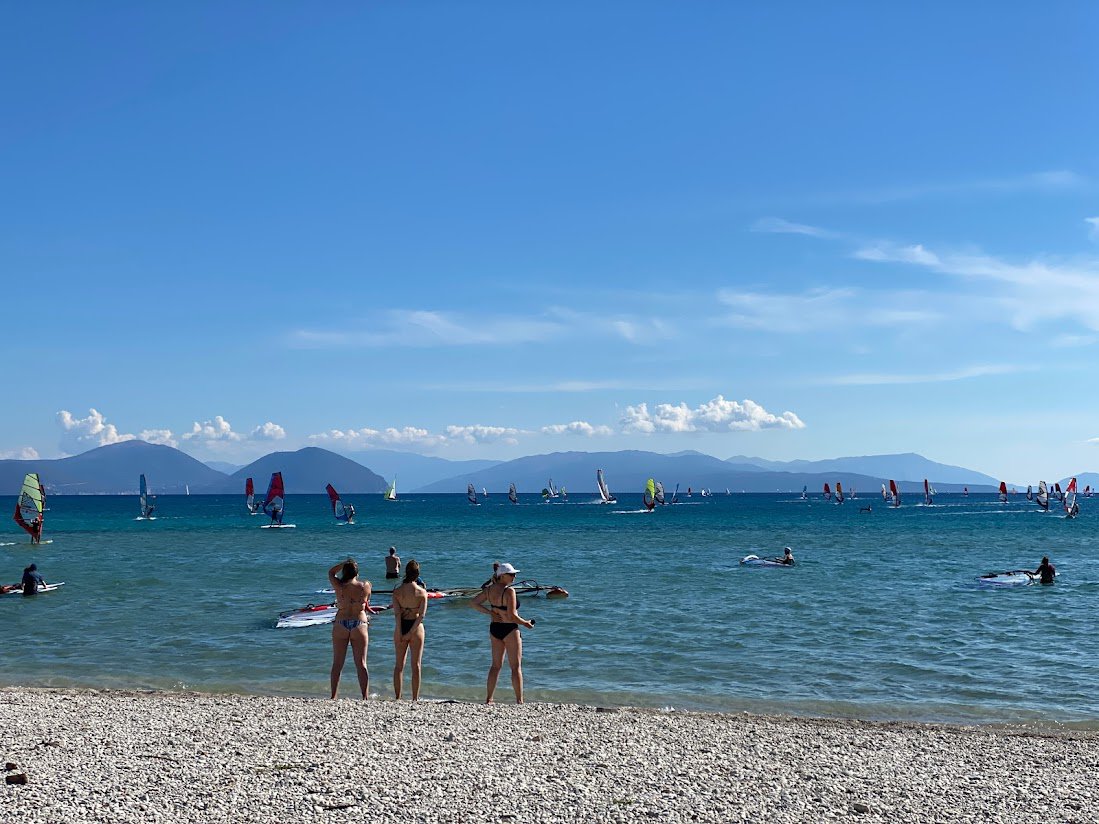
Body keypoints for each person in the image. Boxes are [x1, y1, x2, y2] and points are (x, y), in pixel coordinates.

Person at [471, 562, 535, 704]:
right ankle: (519, 700)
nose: (514, 576)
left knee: (495, 666)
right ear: (502, 576)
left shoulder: (489, 590)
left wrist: (490, 613)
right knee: (515, 667)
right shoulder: (509, 591)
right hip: (510, 629)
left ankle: (489, 699)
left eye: (514, 574)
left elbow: (474, 603)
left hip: (495, 629)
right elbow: (512, 615)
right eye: (511, 574)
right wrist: (525, 623)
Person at [328, 558, 377, 699]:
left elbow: (331, 572)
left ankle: (333, 696)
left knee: (337, 663)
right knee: (361, 664)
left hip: (341, 623)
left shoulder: (339, 586)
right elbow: (367, 602)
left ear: (344, 571)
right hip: (359, 623)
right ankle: (365, 697)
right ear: (357, 572)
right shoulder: (365, 586)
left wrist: (343, 564)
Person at [392, 559, 428, 701]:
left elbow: (397, 614)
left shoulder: (397, 592)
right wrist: (410, 633)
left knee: (399, 665)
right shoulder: (422, 592)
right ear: (417, 574)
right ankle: (415, 698)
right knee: (416, 665)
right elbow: (421, 616)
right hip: (416, 628)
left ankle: (398, 697)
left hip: (401, 625)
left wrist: (401, 632)